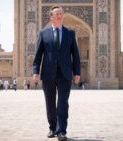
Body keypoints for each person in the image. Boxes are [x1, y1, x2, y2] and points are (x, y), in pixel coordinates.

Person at [32, 5, 80, 141]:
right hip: (48, 73)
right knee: (50, 102)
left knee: (63, 102)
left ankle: (61, 131)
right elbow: (38, 55)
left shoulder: (70, 33)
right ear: (51, 16)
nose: (59, 15)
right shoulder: (43, 33)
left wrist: (77, 72)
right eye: (57, 14)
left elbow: (75, 54)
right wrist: (35, 71)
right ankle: (52, 128)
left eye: (61, 13)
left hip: (65, 73)